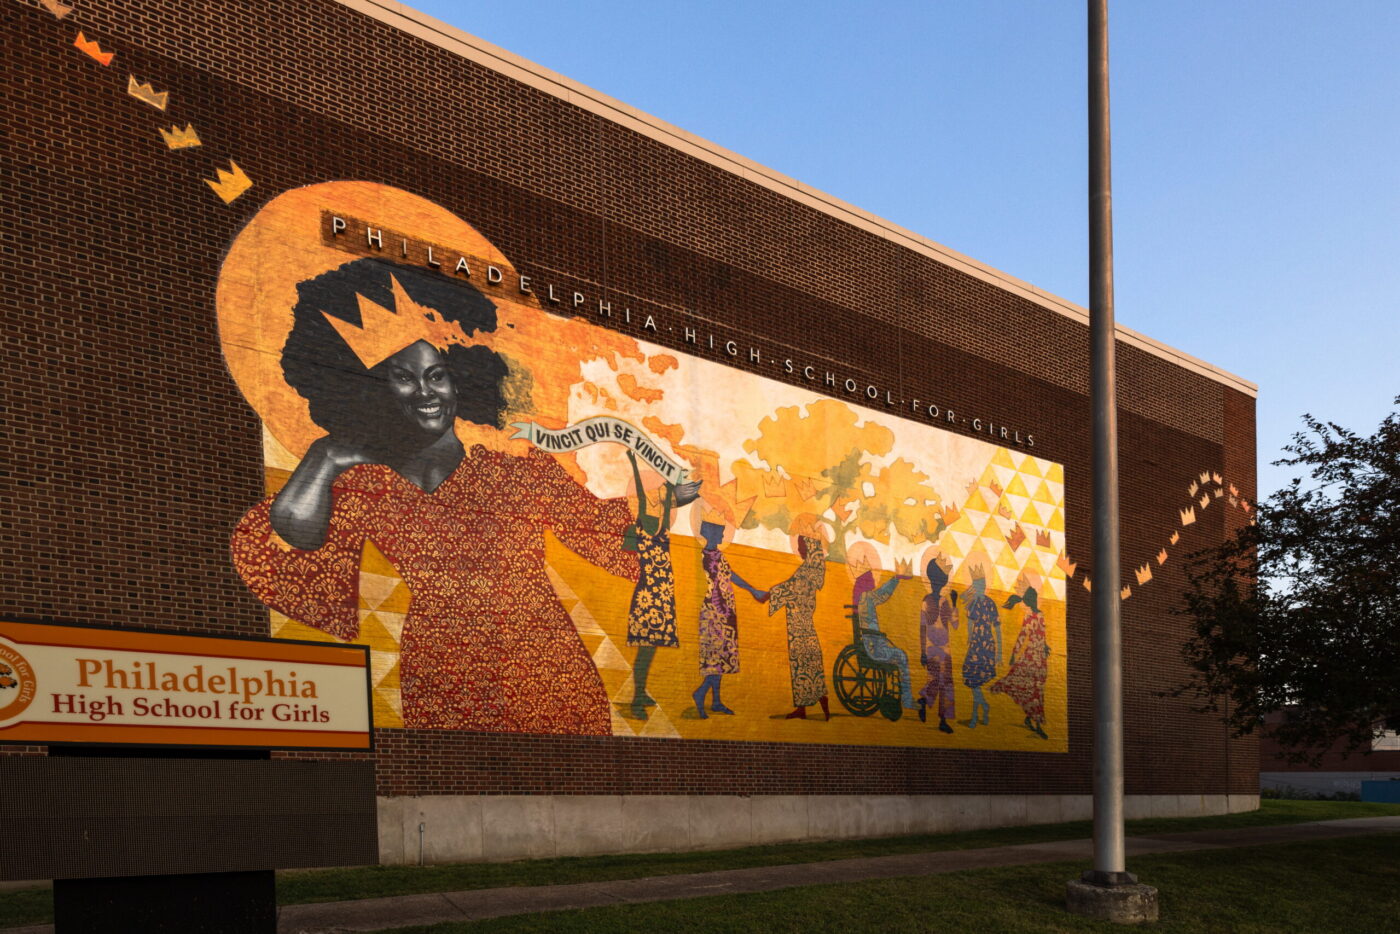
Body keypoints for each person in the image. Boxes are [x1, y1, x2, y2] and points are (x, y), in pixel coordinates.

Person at [231, 257, 699, 735]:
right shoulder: (371, 482)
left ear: (461, 379)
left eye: (436, 375)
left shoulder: (515, 469)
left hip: (543, 665)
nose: (425, 392)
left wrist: (665, 501)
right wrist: (325, 456)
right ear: (371, 387)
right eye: (403, 377)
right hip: (440, 669)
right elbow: (296, 534)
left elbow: (602, 531)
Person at [691, 520, 767, 719]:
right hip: (715, 612)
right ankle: (700, 694)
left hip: (725, 612)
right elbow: (714, 585)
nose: (723, 537)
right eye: (721, 533)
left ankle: (716, 701)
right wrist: (722, 608)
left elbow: (731, 575)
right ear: (712, 533)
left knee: (722, 658)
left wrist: (752, 590)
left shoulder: (718, 555)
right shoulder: (707, 557)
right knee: (715, 658)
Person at [767, 536, 830, 720]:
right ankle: (804, 709)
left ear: (810, 549)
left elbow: (790, 588)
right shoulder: (810, 571)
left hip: (800, 627)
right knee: (807, 667)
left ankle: (815, 705)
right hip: (803, 626)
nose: (799, 549)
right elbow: (791, 587)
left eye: (802, 546)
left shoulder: (805, 572)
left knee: (803, 667)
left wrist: (768, 595)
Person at [849, 551, 918, 713]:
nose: (873, 580)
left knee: (899, 655)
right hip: (873, 646)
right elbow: (882, 595)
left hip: (873, 642)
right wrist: (896, 578)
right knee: (901, 656)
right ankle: (906, 700)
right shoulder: (866, 597)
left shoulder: (862, 598)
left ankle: (904, 698)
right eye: (871, 578)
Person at [990, 581, 1051, 739]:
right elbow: (1022, 636)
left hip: (1041, 658)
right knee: (1033, 689)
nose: (1036, 600)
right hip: (1031, 656)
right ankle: (1037, 723)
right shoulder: (1028, 616)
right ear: (1030, 600)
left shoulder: (1041, 614)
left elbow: (1042, 635)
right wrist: (1013, 654)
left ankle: (1029, 717)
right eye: (1034, 598)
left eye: (1036, 597)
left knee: (1039, 689)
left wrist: (1045, 646)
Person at [918, 556, 959, 733]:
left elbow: (953, 624)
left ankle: (928, 705)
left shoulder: (936, 601)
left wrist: (955, 603)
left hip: (938, 648)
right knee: (941, 682)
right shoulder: (934, 601)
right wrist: (922, 651)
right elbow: (924, 626)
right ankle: (935, 712)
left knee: (941, 682)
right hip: (937, 648)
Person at [960, 565, 1002, 728]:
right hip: (976, 646)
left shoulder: (991, 604)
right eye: (977, 585)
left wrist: (999, 653)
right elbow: (970, 625)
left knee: (974, 682)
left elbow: (997, 628)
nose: (979, 588)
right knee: (972, 680)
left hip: (986, 647)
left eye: (980, 585)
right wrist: (969, 640)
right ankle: (983, 707)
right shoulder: (973, 604)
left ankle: (975, 716)